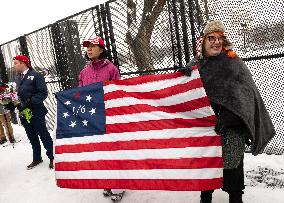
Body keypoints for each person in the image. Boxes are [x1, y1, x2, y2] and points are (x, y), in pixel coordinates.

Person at [181, 20, 275, 203]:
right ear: (203, 41)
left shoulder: (233, 63)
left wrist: (230, 116)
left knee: (233, 166)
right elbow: (183, 94)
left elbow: (246, 95)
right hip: (206, 126)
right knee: (205, 164)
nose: (216, 42)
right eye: (211, 38)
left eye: (220, 38)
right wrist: (182, 78)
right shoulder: (196, 64)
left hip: (231, 125)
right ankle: (205, 197)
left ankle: (235, 198)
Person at [79, 36, 124, 202]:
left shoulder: (111, 69)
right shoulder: (84, 72)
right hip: (93, 118)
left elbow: (119, 92)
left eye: (93, 46)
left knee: (113, 150)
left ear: (102, 49)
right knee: (101, 151)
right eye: (87, 47)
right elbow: (80, 94)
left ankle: (118, 185)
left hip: (110, 116)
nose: (89, 49)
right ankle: (107, 182)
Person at [13, 55, 54, 170]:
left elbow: (43, 93)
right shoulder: (17, 77)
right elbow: (19, 93)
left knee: (43, 134)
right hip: (24, 112)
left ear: (23, 63)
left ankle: (52, 156)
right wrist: (14, 101)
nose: (14, 65)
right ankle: (37, 158)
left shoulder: (36, 75)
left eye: (16, 63)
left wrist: (30, 102)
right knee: (31, 136)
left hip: (36, 111)